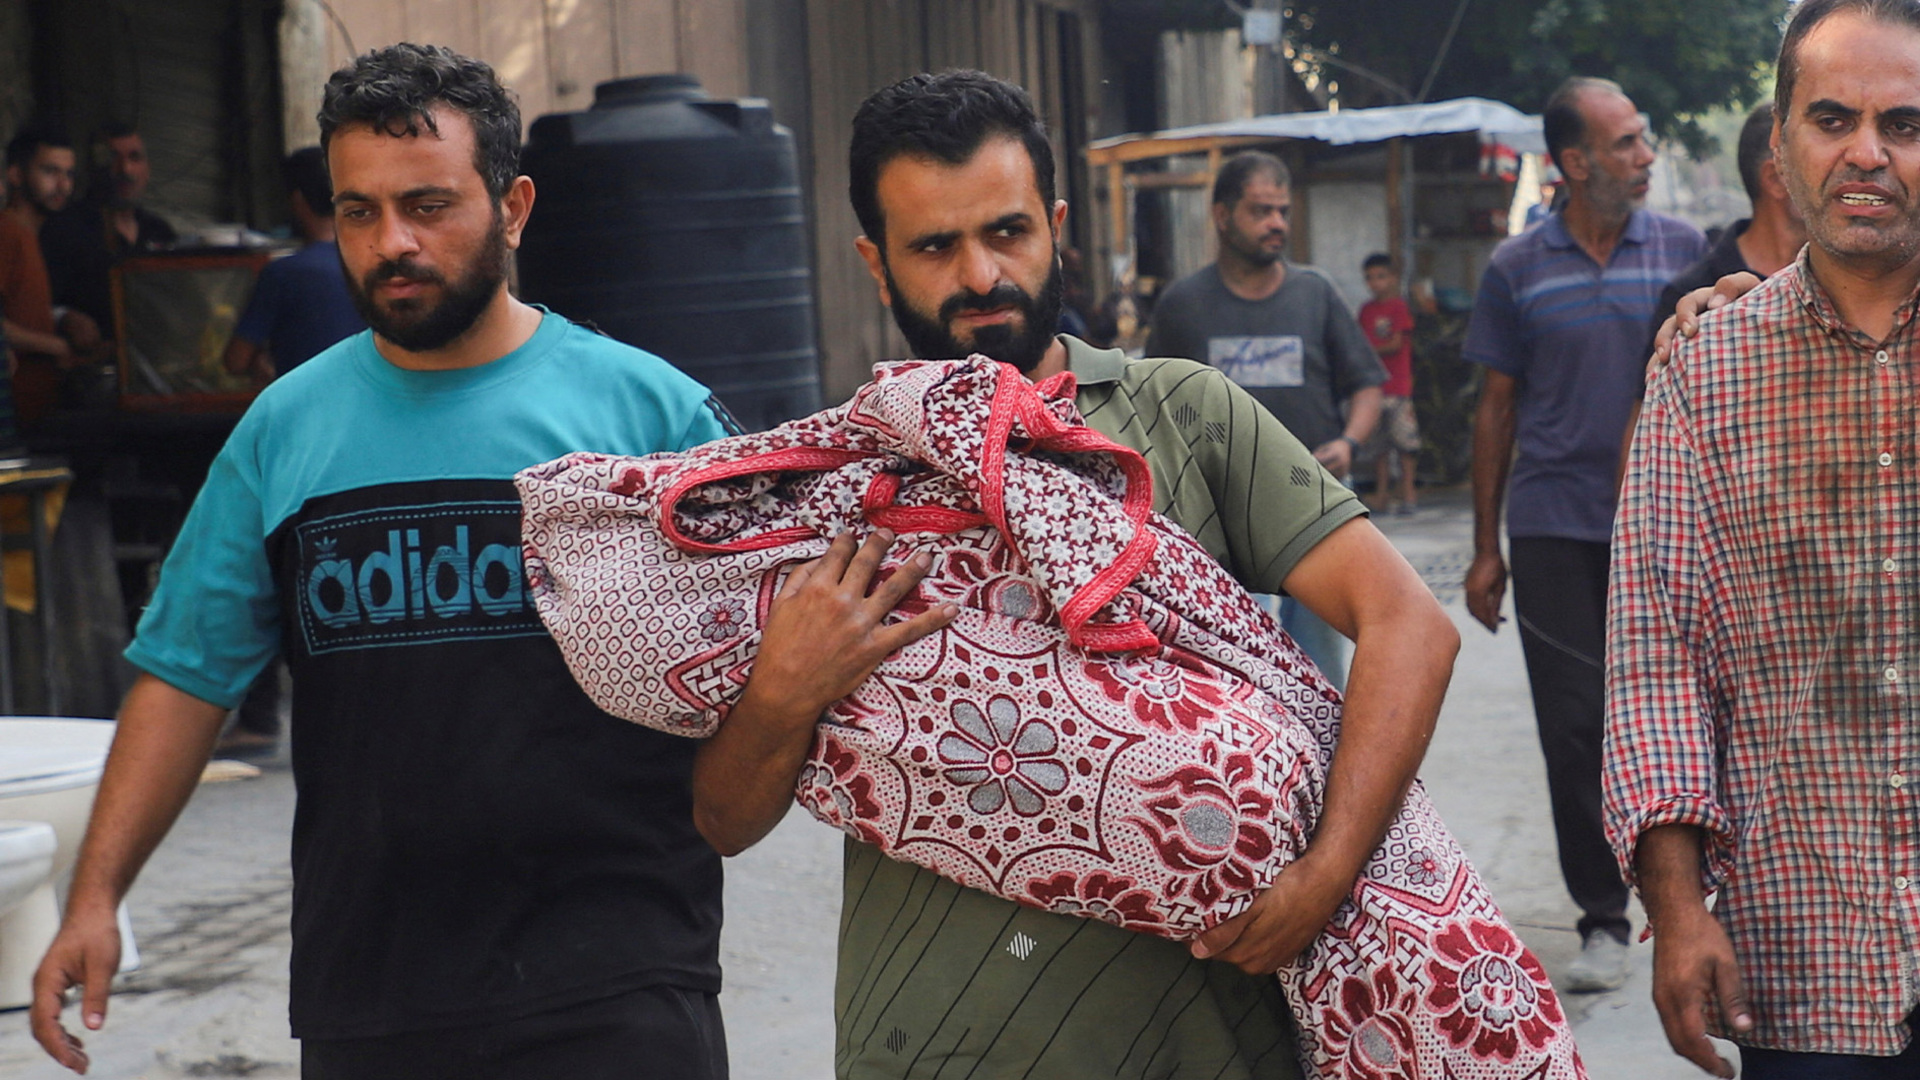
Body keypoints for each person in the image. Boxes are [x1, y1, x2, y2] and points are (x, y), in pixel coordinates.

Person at [692, 69, 1457, 1080]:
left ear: (1056, 227)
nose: (981, 275)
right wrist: (782, 691)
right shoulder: (841, 478)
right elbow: (725, 821)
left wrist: (1326, 875)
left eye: (1007, 232)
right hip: (931, 1050)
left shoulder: (1183, 415)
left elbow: (1409, 624)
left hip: (1203, 1045)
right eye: (934, 247)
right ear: (876, 264)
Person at [29, 43, 772, 1079]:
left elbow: (776, 662)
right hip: (373, 994)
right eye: (359, 211)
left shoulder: (650, 416)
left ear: (513, 208)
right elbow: (186, 677)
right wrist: (95, 897)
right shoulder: (284, 430)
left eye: (428, 206)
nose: (393, 244)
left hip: (618, 980)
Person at [1610, 0, 1920, 1074]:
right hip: (1808, 960)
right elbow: (1657, 664)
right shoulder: (1703, 375)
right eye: (1833, 119)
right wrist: (1677, 907)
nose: (1867, 153)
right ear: (1780, 146)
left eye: (1905, 125)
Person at [1461, 75, 1707, 994]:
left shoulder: (1683, 251)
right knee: (1575, 729)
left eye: (1643, 137)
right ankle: (1604, 916)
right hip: (1554, 528)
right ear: (1574, 162)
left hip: (1666, 527)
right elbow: (1495, 408)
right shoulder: (1516, 267)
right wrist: (1487, 548)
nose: (1646, 155)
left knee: (1681, 715)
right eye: (1627, 142)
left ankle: (1690, 898)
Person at [1146, 151, 1386, 690]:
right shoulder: (1183, 305)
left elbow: (1367, 386)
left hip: (1313, 504)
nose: (1277, 223)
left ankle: (1323, 745)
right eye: (1261, 211)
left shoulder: (1315, 294)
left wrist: (1349, 443)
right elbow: (1151, 407)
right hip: (1217, 512)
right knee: (1236, 661)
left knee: (1320, 663)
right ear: (1222, 216)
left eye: (1282, 211)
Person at [224, 146, 366, 382]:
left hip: (309, 403)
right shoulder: (371, 264)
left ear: (298, 200)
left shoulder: (283, 274)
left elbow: (236, 361)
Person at [1, 128, 106, 426]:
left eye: (69, 174)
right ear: (16, 175)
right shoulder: (7, 233)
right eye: (49, 171)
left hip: (36, 412)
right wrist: (54, 346)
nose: (62, 185)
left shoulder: (33, 236)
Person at [39, 123, 176, 340]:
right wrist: (63, 317)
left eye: (135, 157)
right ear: (94, 169)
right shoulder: (64, 228)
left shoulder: (160, 232)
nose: (125, 170)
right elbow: (32, 304)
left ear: (147, 169)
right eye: (113, 158)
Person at [1358, 253, 1419, 514]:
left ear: (1393, 278)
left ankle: (1409, 495)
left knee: (1405, 444)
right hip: (1374, 389)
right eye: (1370, 278)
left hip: (1397, 387)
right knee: (1378, 447)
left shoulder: (1398, 308)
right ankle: (1382, 495)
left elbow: (1395, 343)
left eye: (1381, 277)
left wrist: (1368, 351)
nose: (1375, 283)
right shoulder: (1366, 311)